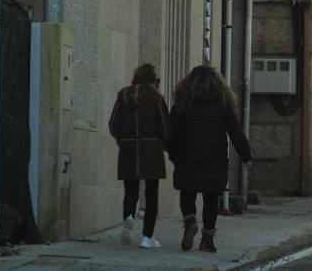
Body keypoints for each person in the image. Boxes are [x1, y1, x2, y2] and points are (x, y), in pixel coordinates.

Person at [167, 65, 252, 253]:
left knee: (187, 193)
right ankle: (207, 240)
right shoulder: (223, 101)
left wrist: (173, 153)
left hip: (186, 156)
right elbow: (235, 131)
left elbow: (170, 131)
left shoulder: (183, 100)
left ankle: (190, 220)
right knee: (211, 199)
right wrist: (246, 155)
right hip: (215, 159)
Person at [107, 63, 171, 249]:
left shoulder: (123, 95)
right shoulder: (157, 98)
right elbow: (166, 128)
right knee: (151, 194)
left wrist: (122, 140)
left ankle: (128, 217)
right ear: (153, 80)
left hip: (128, 149)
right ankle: (147, 237)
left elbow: (113, 124)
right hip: (151, 149)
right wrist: (166, 146)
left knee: (130, 191)